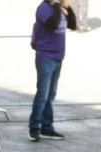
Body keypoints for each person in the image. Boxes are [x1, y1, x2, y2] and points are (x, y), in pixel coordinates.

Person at [28, 0, 75, 142]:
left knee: (51, 94)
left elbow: (73, 25)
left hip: (58, 57)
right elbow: (53, 23)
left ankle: (46, 127)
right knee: (42, 94)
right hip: (46, 57)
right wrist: (56, 6)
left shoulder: (59, 8)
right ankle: (34, 128)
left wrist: (68, 8)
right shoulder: (44, 8)